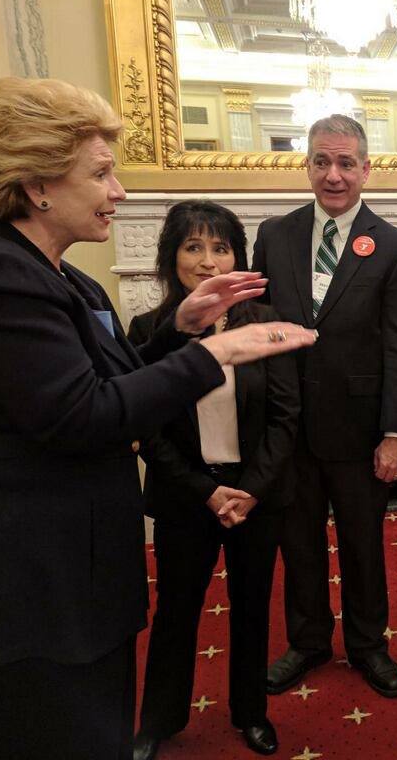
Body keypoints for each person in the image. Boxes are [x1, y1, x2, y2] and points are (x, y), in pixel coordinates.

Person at [0, 78, 315, 760]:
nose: (119, 191)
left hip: (76, 576)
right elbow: (82, 414)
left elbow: (110, 380)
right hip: (26, 587)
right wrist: (215, 352)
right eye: (100, 173)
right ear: (37, 184)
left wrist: (180, 329)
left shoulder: (67, 278)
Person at [252, 115, 397, 698]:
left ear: (366, 169)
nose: (334, 175)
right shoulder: (274, 235)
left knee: (362, 545)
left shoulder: (395, 247)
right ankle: (308, 641)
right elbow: (259, 328)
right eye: (322, 161)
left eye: (346, 163)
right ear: (306, 166)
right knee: (297, 542)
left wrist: (396, 432)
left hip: (359, 429)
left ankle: (368, 645)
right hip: (288, 427)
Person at [129, 201, 300, 759]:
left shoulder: (266, 324)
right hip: (186, 498)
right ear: (171, 256)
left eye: (221, 248)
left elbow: (285, 418)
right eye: (193, 247)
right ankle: (158, 721)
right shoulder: (149, 331)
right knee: (176, 610)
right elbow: (148, 428)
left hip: (255, 496)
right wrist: (205, 491)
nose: (208, 261)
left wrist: (251, 490)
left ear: (238, 259)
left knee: (252, 607)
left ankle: (251, 713)